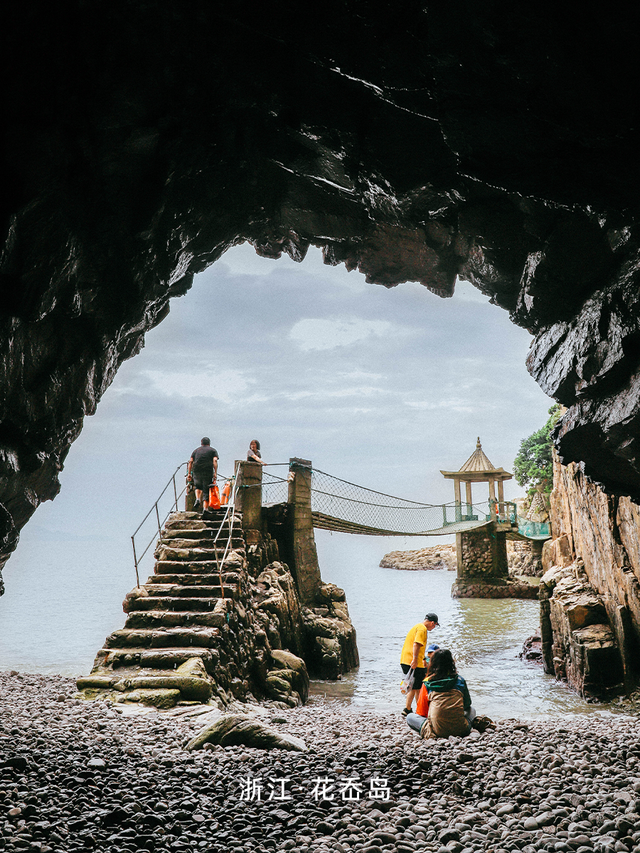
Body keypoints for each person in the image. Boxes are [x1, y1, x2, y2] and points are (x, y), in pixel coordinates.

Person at [406, 648, 476, 739]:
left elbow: (422, 713)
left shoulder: (427, 683)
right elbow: (467, 705)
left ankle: (432, 731)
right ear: (451, 662)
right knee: (472, 709)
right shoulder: (460, 680)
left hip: (437, 730)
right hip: (462, 730)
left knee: (410, 717)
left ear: (432, 664)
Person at [400, 613, 439, 717]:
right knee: (419, 687)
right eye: (435, 625)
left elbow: (417, 646)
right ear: (432, 622)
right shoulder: (422, 629)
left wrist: (422, 659)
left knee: (413, 686)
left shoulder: (417, 626)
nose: (433, 627)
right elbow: (416, 644)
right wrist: (415, 659)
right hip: (412, 662)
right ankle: (420, 710)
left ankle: (407, 709)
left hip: (406, 660)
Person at [187, 437, 219, 512]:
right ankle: (205, 508)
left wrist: (189, 473)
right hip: (207, 470)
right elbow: (215, 460)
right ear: (209, 443)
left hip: (196, 469)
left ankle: (198, 499)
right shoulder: (213, 450)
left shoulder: (196, 451)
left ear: (201, 443)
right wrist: (215, 472)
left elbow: (191, 461)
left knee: (198, 485)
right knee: (206, 488)